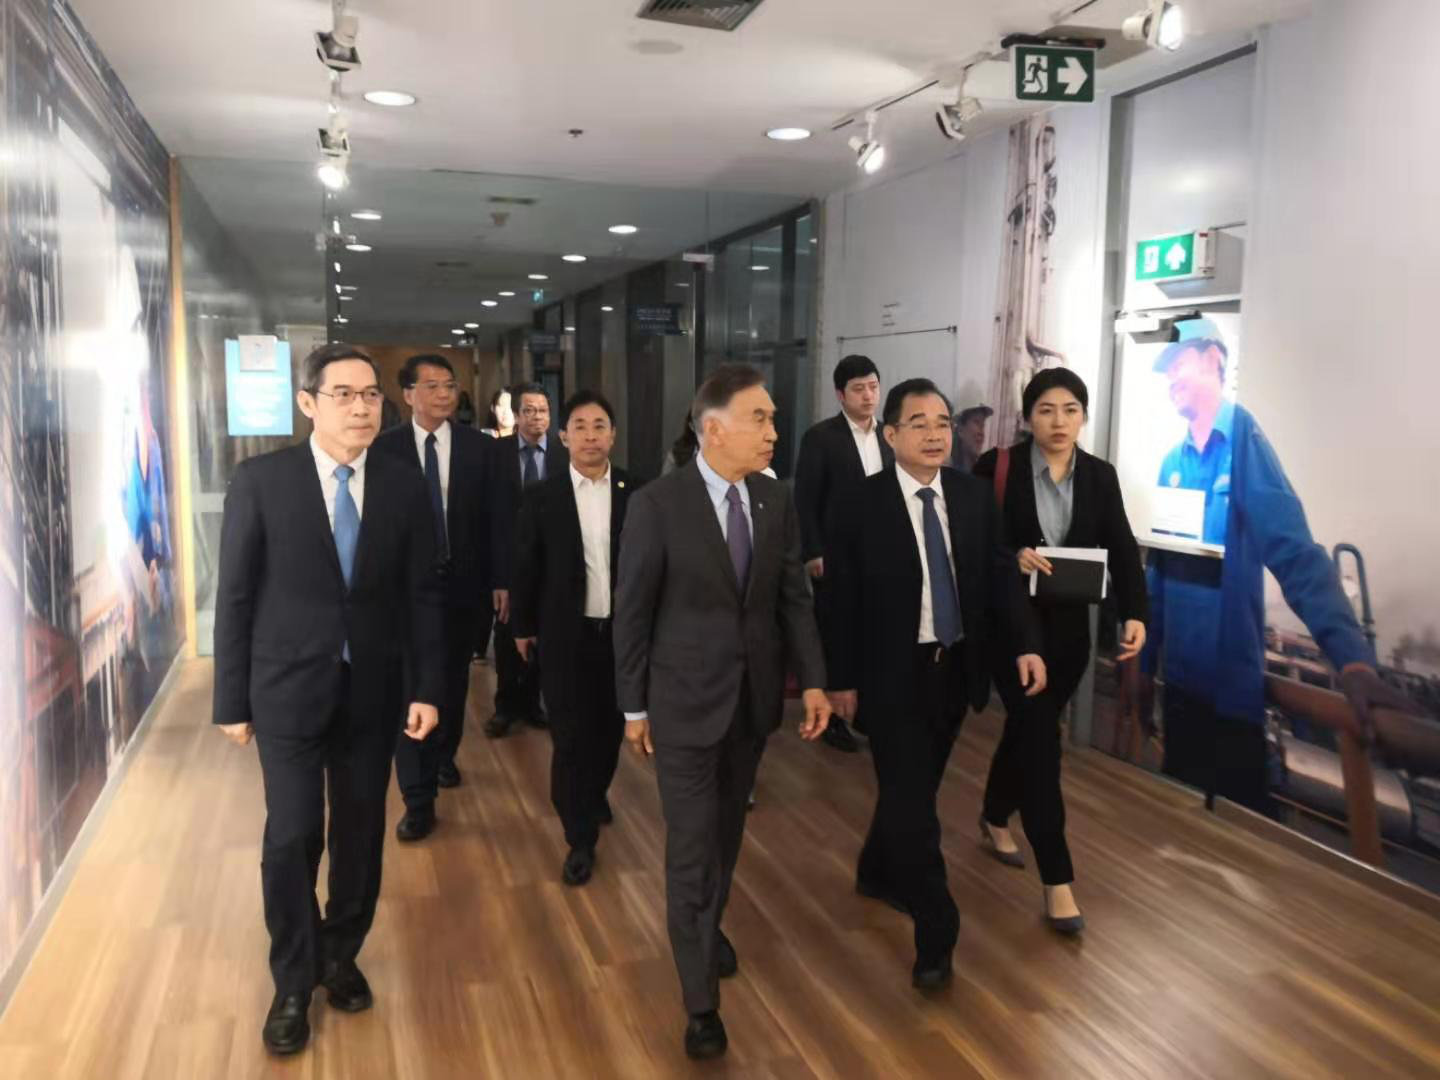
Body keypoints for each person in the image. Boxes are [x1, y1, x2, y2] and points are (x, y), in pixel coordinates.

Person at [212, 344, 443, 1057]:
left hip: (373, 691)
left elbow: (423, 594)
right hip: (284, 689)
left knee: (360, 834)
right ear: (308, 403)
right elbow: (235, 594)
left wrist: (428, 687)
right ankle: (292, 979)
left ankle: (340, 955)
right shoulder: (263, 481)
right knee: (291, 834)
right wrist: (230, 700)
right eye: (343, 394)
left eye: (371, 395)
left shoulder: (404, 485)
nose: (361, 407)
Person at [613, 364, 830, 1061]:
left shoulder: (774, 498)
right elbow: (632, 612)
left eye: (773, 419)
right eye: (759, 419)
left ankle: (706, 929)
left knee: (725, 839)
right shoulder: (658, 504)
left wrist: (815, 683)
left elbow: (792, 597)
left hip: (752, 703)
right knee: (691, 846)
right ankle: (700, 1002)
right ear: (713, 430)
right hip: (681, 705)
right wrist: (633, 706)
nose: (773, 432)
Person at [824, 378, 1044, 991]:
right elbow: (839, 599)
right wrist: (839, 680)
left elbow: (999, 576)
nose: (934, 434)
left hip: (954, 671)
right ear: (891, 434)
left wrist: (1026, 643)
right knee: (914, 808)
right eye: (918, 423)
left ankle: (876, 869)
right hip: (889, 674)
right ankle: (937, 928)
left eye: (942, 423)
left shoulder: (971, 497)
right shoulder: (860, 503)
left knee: (913, 791)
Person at [1143, 318, 1408, 811]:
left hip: (1229, 701)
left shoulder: (1243, 443)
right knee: (1178, 829)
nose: (1171, 378)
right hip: (1178, 691)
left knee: (1236, 836)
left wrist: (1352, 657)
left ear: (1213, 360)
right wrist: (1143, 664)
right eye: (1167, 370)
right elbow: (1159, 572)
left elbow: (1294, 552)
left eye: (1179, 364)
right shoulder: (1171, 464)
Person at [972, 369, 1147, 934]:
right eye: (1046, 410)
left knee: (1031, 726)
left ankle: (994, 813)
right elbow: (973, 543)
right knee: (1041, 741)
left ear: (1083, 416)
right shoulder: (996, 468)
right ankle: (1057, 878)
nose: (1059, 421)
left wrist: (1136, 612)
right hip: (1012, 630)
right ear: (1028, 417)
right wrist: (1012, 556)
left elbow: (1121, 546)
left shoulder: (1098, 476)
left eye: (1070, 410)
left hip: (1069, 633)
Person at [512, 390, 633, 886]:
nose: (590, 436)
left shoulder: (636, 492)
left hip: (620, 636)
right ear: (563, 436)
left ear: (613, 435)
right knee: (569, 737)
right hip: (566, 634)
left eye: (599, 425)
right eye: (579, 426)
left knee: (609, 730)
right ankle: (578, 836)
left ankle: (594, 793)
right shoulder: (543, 497)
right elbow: (526, 566)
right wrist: (522, 626)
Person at [372, 354, 493, 841]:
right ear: (408, 394)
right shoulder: (383, 450)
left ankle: (444, 753)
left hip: (463, 586)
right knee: (411, 685)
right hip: (403, 592)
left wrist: (500, 581)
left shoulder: (479, 448)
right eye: (432, 386)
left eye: (449, 385)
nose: (444, 394)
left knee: (453, 680)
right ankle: (417, 799)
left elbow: (496, 521)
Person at [793, 354, 893, 753]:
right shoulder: (821, 437)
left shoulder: (890, 435)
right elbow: (805, 499)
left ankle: (867, 712)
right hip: (835, 555)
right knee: (836, 632)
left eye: (873, 387)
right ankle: (832, 716)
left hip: (881, 554)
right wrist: (812, 551)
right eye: (858, 389)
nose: (868, 396)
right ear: (840, 394)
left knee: (875, 631)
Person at [488, 384, 569, 737]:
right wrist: (498, 578)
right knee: (507, 635)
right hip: (509, 563)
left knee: (543, 634)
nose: (537, 417)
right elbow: (489, 517)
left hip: (550, 565)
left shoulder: (564, 455)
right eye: (530, 410)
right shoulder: (496, 453)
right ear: (517, 416)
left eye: (543, 410)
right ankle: (505, 707)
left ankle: (533, 703)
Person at [951, 404, 993, 473]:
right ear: (960, 431)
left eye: (983, 425)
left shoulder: (985, 471)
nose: (981, 433)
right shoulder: (946, 472)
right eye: (976, 422)